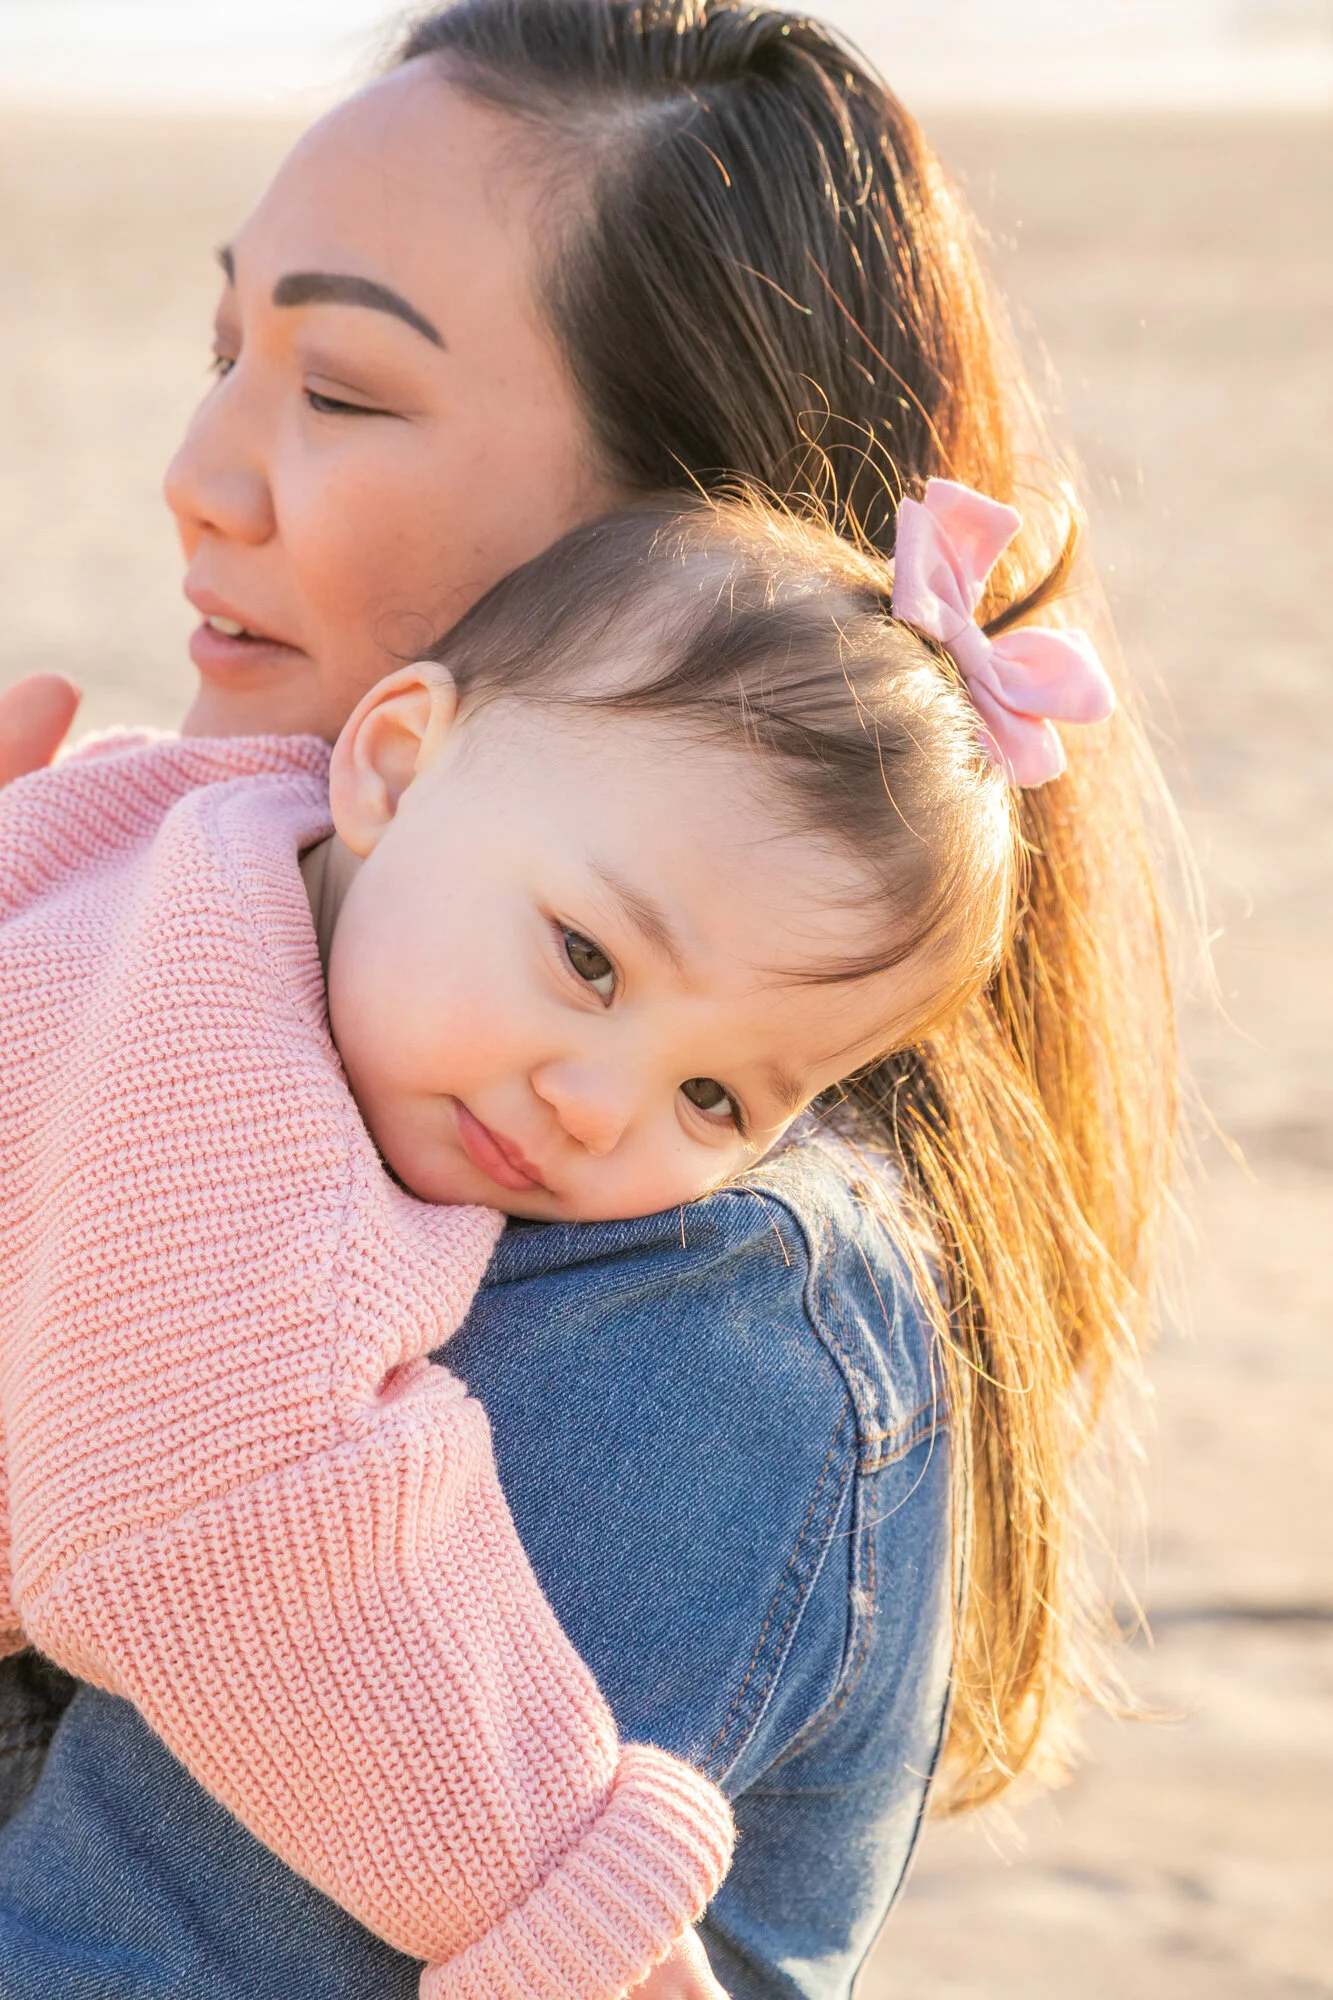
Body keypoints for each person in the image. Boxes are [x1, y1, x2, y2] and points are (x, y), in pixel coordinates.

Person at [0, 6, 1179, 1997]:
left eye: (346, 391)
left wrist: (574, 1914)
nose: (204, 477)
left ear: (676, 543)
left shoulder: (677, 1312)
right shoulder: (218, 880)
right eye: (232, 354)